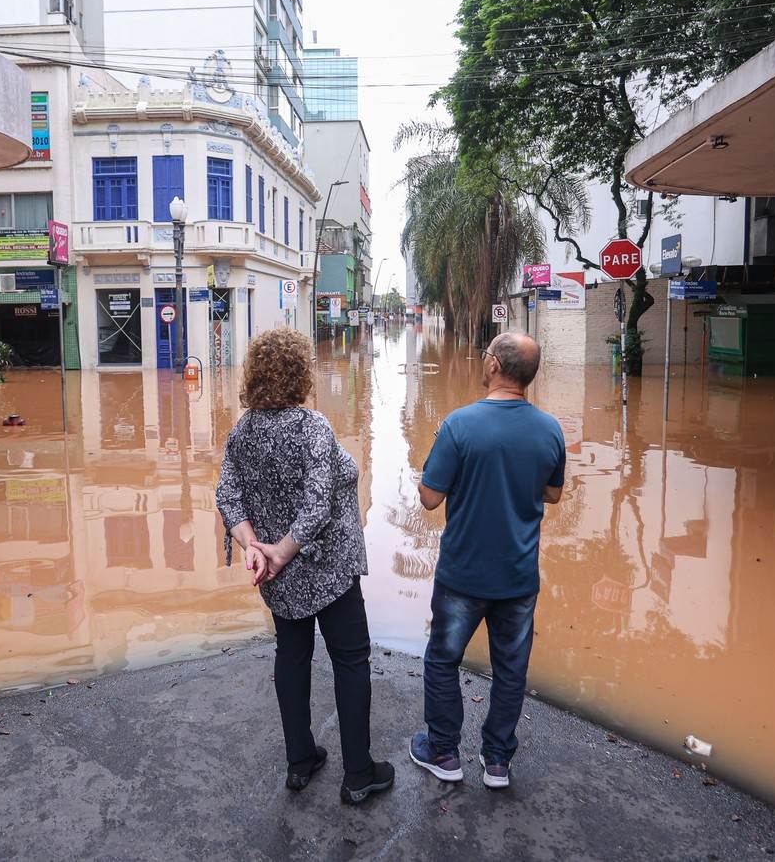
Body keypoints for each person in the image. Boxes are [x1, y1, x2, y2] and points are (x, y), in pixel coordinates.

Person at [215, 327, 394, 805]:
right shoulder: (311, 425)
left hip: (278, 577)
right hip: (329, 568)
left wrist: (255, 547)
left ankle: (300, 761)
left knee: (291, 658)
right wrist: (277, 549)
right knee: (351, 661)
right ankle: (358, 772)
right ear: (300, 373)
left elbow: (227, 497)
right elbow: (316, 505)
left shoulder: (242, 430)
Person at [409, 332, 565, 790]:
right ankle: (497, 760)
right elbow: (553, 493)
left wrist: (445, 459)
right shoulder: (550, 429)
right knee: (510, 670)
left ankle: (443, 753)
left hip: (463, 575)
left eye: (485, 357)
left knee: (443, 660)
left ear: (494, 364)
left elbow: (430, 498)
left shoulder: (459, 425)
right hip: (518, 576)